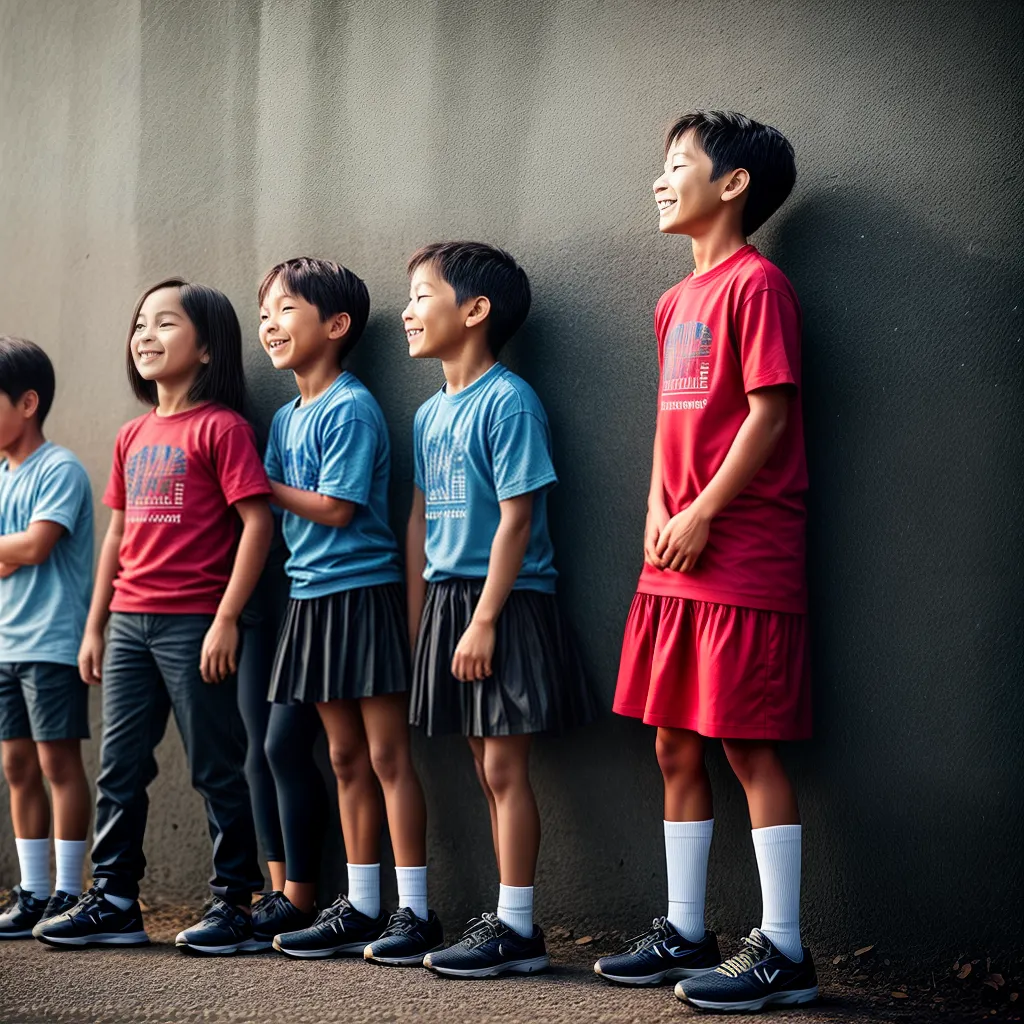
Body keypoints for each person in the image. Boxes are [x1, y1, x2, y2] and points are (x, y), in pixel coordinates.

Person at [593, 111, 818, 1013]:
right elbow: (668, 426)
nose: (659, 178)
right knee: (671, 738)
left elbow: (767, 413)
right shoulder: (672, 301)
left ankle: (787, 953)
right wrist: (659, 510)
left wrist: (703, 513)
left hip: (744, 548)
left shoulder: (756, 286)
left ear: (732, 185)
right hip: (673, 552)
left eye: (678, 163)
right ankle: (688, 928)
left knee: (745, 741)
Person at [34, 278, 273, 955]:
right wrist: (95, 625)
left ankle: (234, 902)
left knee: (215, 765)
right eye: (140, 322)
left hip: (196, 623)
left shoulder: (221, 427)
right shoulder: (132, 433)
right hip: (130, 624)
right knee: (119, 767)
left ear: (205, 348)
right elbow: (117, 534)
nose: (145, 334)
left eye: (165, 324)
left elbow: (256, 523)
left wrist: (228, 617)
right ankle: (113, 896)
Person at [404, 241, 593, 979]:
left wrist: (483, 618)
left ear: (475, 310)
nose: (410, 311)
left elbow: (518, 519)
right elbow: (421, 515)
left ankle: (516, 927)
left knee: (505, 767)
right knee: (485, 766)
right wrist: (426, 619)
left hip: (506, 603)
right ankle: (506, 920)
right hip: (451, 601)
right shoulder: (428, 415)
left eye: (424, 295)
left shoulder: (509, 400)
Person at [256, 257, 441, 965]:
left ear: (335, 327)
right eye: (266, 311)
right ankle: (361, 906)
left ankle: (414, 911)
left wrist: (261, 486)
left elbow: (335, 508)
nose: (271, 323)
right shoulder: (285, 417)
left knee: (389, 755)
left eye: (287, 310)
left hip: (362, 594)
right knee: (342, 757)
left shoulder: (351, 406)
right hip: (309, 600)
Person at [0, 336, 93, 937]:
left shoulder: (59, 469)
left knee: (58, 763)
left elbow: (34, 545)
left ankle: (66, 890)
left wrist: (14, 551)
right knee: (16, 765)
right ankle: (33, 892)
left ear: (28, 402)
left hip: (53, 642)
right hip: (6, 644)